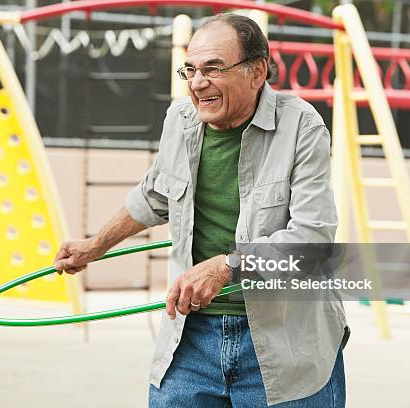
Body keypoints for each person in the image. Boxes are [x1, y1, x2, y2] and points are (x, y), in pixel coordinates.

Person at [54, 13, 349, 407]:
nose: (196, 84)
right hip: (191, 337)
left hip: (285, 340)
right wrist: (95, 245)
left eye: (213, 69)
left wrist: (226, 266)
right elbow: (154, 196)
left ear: (257, 72)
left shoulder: (302, 127)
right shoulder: (180, 119)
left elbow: (311, 239)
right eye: (190, 70)